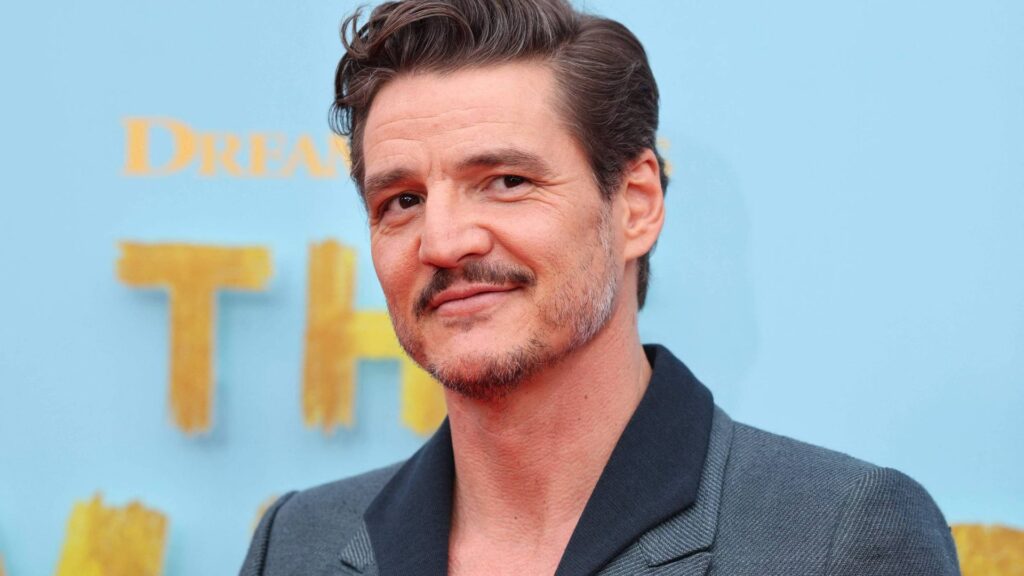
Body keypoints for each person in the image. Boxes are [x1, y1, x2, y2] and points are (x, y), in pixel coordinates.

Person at [240, 0, 961, 574]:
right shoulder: (297, 544)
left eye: (506, 181)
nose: (443, 242)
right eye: (402, 201)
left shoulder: (835, 537)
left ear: (635, 205)